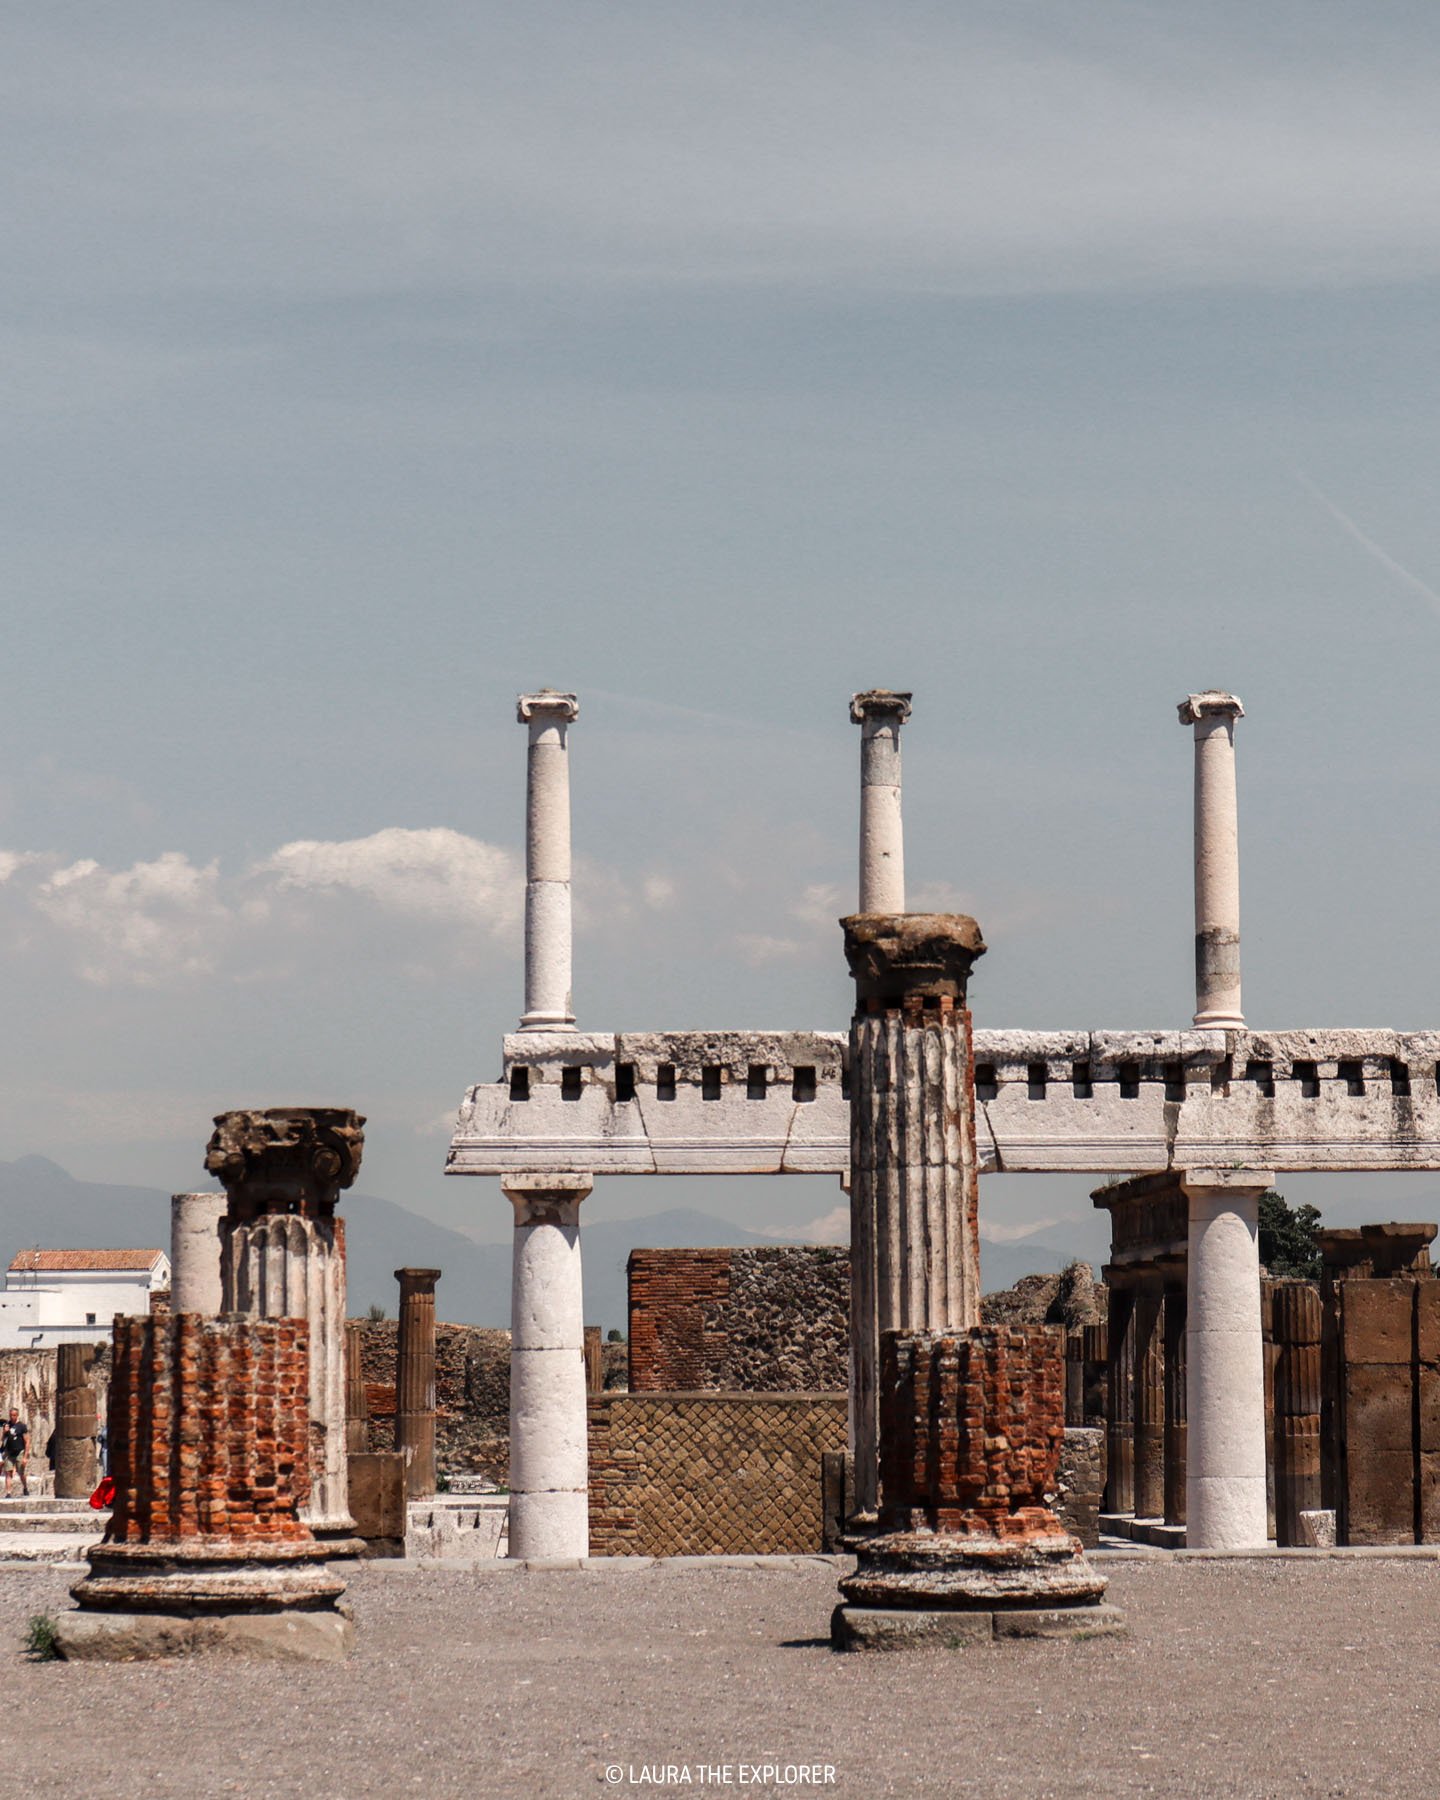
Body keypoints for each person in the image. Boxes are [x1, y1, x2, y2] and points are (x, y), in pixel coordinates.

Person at [1, 1409, 29, 1498]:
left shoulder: (22, 1426)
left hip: (20, 1451)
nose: (12, 1417)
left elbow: (27, 1442)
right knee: (8, 1472)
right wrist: (4, 1432)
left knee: (21, 1473)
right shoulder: (7, 1425)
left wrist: (25, 1457)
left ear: (17, 1415)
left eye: (13, 1415)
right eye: (10, 1415)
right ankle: (8, 1492)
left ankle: (25, 1487)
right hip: (9, 1452)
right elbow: (2, 1439)